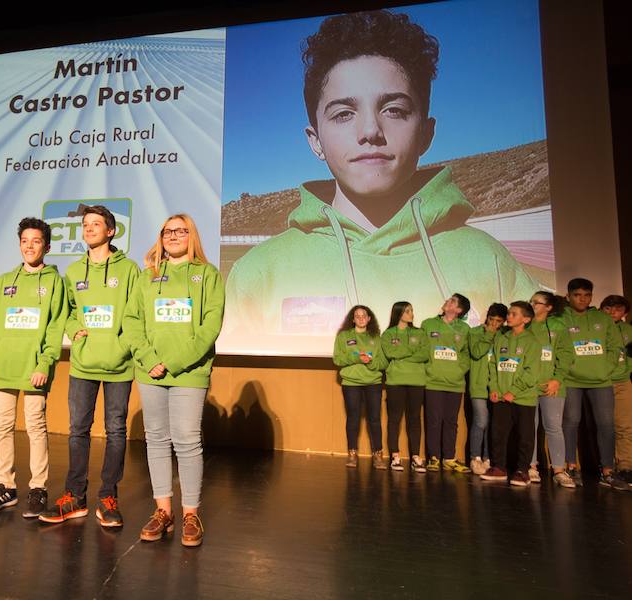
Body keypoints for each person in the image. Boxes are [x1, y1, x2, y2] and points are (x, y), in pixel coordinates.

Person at [223, 9, 541, 347]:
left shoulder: (489, 260)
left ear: (426, 133)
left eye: (394, 110)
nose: (371, 131)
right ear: (316, 141)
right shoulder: (257, 273)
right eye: (344, 114)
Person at [123, 214, 225, 547]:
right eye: (167, 231)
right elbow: (132, 322)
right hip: (150, 372)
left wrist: (175, 363)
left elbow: (210, 327)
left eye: (181, 231)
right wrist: (150, 360)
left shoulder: (207, 275)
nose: (173, 236)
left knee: (186, 439)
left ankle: (191, 514)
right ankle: (162, 510)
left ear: (192, 236)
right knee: (156, 438)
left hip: (189, 373)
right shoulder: (146, 276)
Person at [39, 206, 140, 526]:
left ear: (111, 231)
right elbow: (67, 311)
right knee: (77, 431)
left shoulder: (129, 269)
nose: (89, 228)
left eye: (96, 224)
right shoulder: (72, 271)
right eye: (85, 224)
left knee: (116, 431)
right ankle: (74, 496)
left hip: (119, 364)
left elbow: (137, 312)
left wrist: (123, 344)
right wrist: (73, 330)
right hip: (83, 363)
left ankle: (108, 496)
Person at [0, 218, 68, 515]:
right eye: (25, 241)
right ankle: (7, 487)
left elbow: (55, 327)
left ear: (47, 246)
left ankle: (38, 488)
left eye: (36, 241)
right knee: (2, 427)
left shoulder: (54, 282)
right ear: (19, 245)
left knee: (35, 427)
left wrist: (45, 362)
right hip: (3, 366)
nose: (30, 246)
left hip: (34, 368)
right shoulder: (3, 282)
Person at [561, 278, 625, 490]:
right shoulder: (562, 318)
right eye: (577, 295)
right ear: (568, 295)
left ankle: (607, 470)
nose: (582, 299)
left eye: (587, 295)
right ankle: (571, 466)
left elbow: (615, 346)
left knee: (606, 424)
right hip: (571, 379)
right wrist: (569, 367)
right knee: (571, 422)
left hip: (601, 380)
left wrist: (606, 368)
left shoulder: (602, 318)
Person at [480, 301, 542, 486]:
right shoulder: (501, 338)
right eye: (509, 313)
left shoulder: (532, 342)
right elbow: (493, 365)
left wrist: (513, 391)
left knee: (524, 435)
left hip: (523, 398)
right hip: (500, 397)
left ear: (526, 319)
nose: (509, 316)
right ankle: (499, 467)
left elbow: (532, 372)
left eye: (514, 314)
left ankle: (522, 470)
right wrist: (495, 389)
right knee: (498, 433)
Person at [527, 291, 575, 488]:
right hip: (527, 386)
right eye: (531, 301)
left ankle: (558, 470)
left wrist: (557, 378)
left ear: (549, 307)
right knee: (529, 427)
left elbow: (565, 355)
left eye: (537, 302)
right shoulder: (525, 325)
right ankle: (531, 467)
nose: (532, 305)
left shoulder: (557, 326)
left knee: (553, 427)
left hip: (551, 385)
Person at [334, 305, 389, 469]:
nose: (360, 318)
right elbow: (337, 359)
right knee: (353, 419)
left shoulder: (377, 338)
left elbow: (384, 362)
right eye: (357, 316)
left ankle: (378, 455)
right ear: (352, 319)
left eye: (364, 315)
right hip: (351, 383)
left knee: (374, 419)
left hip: (373, 383)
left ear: (369, 318)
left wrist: (371, 361)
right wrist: (357, 358)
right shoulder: (343, 336)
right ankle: (352, 454)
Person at [422, 293, 471, 473]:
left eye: (452, 301)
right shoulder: (428, 324)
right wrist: (429, 369)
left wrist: (460, 370)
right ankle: (433, 458)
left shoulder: (464, 329)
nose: (446, 301)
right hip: (433, 381)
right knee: (433, 420)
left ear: (458, 310)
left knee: (451, 421)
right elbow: (423, 349)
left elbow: (466, 354)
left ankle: (449, 458)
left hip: (455, 383)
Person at [381, 301, 428, 471]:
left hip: (417, 381)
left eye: (412, 310)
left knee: (414, 419)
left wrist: (402, 355)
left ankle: (415, 456)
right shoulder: (387, 334)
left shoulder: (419, 333)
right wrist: (411, 352)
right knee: (395, 419)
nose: (412, 313)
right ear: (399, 313)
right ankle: (395, 456)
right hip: (395, 381)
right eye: (408, 311)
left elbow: (424, 354)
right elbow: (390, 352)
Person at [467, 303, 507, 475]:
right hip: (479, 385)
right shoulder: (475, 332)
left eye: (498, 321)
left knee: (493, 424)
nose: (494, 324)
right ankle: (475, 457)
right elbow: (476, 352)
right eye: (492, 320)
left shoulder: (505, 335)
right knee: (481, 421)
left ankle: (488, 458)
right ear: (487, 317)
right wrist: (489, 334)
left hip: (498, 385)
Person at [600, 294, 632, 488]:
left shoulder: (628, 330)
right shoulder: (596, 328)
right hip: (601, 383)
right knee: (604, 426)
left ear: (625, 313)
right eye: (608, 308)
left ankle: (626, 467)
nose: (613, 312)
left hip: (623, 382)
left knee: (625, 426)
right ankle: (606, 467)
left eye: (618, 309)